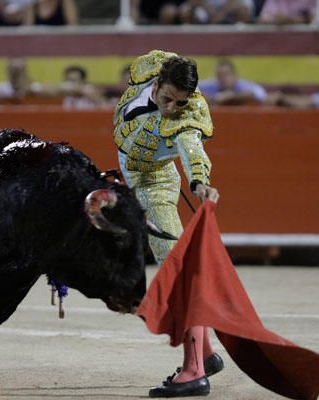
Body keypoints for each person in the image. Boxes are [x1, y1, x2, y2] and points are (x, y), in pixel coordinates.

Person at [113, 50, 222, 398]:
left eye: (180, 102)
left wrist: (199, 182)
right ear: (156, 83)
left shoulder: (186, 116)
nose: (172, 108)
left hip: (154, 188)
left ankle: (194, 371)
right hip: (132, 179)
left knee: (176, 274)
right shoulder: (149, 69)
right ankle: (205, 354)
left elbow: (192, 150)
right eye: (167, 99)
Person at [199, 59, 268, 105]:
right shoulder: (212, 85)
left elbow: (259, 94)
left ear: (234, 75)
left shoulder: (244, 85)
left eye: (226, 74)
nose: (223, 78)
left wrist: (231, 96)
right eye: (220, 75)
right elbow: (195, 88)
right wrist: (213, 99)